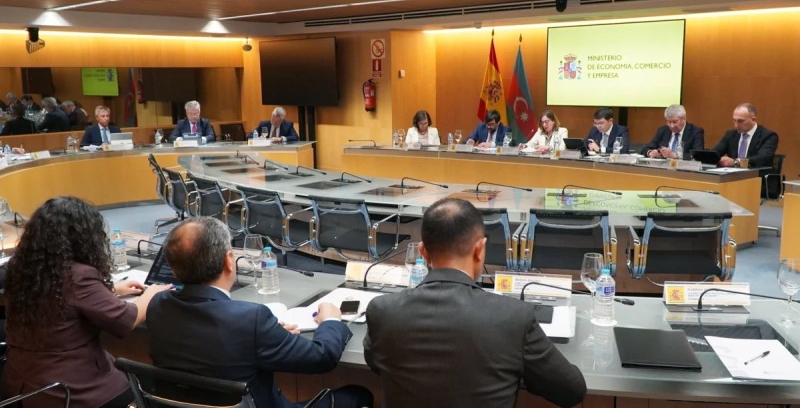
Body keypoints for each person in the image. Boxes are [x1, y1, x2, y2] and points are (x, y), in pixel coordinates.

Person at [363, 198, 586, 407]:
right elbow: (572, 391)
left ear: (423, 252)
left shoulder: (382, 310)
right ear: (480, 249)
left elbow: (376, 363)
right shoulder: (514, 317)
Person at [147, 216, 373, 408]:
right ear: (229, 261)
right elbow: (322, 358)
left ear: (173, 269)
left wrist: (270, 335)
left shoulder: (158, 305)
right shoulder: (250, 319)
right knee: (357, 395)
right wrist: (331, 320)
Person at [1, 197, 171, 408]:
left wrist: (111, 290)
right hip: (70, 390)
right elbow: (125, 320)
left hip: (20, 386)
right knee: (140, 384)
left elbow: (57, 298)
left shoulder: (21, 267)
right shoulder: (78, 275)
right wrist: (151, 294)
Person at [711, 103, 778, 169]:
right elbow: (715, 153)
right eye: (734, 120)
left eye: (740, 121)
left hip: (756, 174)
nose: (736, 125)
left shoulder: (768, 136)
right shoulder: (730, 135)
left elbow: (762, 159)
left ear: (753, 120)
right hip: (731, 174)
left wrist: (735, 162)